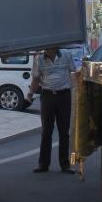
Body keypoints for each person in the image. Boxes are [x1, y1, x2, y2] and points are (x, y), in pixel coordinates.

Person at [28, 46, 78, 174]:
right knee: (46, 132)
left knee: (64, 132)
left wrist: (78, 91)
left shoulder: (66, 55)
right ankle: (43, 164)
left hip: (64, 96)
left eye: (51, 47)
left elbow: (73, 73)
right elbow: (36, 79)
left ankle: (65, 165)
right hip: (47, 96)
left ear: (57, 47)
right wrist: (30, 93)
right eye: (47, 48)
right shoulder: (39, 59)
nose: (49, 50)